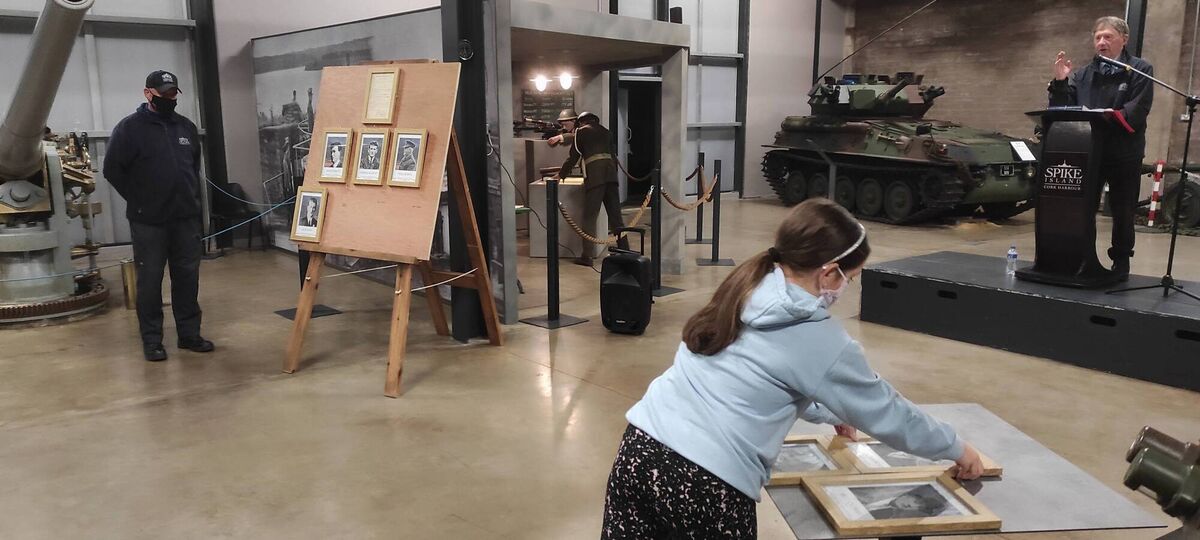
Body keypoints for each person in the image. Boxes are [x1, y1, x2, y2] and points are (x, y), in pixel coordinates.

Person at [601, 199, 984, 539]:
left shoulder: (748, 285)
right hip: (706, 480)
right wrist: (956, 447)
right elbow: (887, 412)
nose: (846, 288)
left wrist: (833, 412)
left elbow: (764, 375)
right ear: (829, 273)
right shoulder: (817, 335)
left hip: (640, 449)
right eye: (850, 278)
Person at [104, 70, 213, 362]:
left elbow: (193, 167)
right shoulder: (129, 129)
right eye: (163, 93)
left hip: (185, 219)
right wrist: (140, 200)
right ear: (148, 93)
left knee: (187, 278)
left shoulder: (186, 127)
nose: (169, 98)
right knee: (150, 281)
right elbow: (112, 170)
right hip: (149, 221)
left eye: (173, 93)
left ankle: (189, 335)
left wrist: (191, 201)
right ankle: (152, 340)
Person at [1050, 16, 1154, 281]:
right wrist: (1061, 81)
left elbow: (1137, 109)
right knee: (1084, 207)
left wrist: (1107, 117)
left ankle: (1121, 261)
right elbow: (1064, 108)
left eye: (1108, 36)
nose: (1101, 42)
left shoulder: (1140, 70)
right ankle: (1084, 256)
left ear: (1124, 39)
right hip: (1089, 150)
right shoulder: (1083, 74)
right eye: (1098, 37)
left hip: (1124, 151)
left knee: (1123, 209)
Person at [548, 109, 628, 265]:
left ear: (580, 122)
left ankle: (587, 256)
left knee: (590, 217)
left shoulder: (581, 131)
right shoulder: (606, 132)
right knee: (616, 218)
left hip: (595, 178)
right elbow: (613, 156)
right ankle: (625, 249)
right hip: (611, 176)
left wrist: (561, 175)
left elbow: (574, 156)